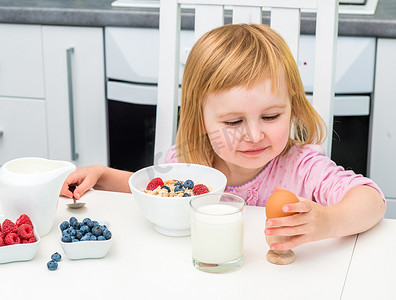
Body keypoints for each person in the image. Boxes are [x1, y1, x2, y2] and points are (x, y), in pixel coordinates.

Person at [61, 24, 385, 251]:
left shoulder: (301, 166)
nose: (255, 134)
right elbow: (156, 191)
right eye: (233, 121)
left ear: (294, 108)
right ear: (200, 120)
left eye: (271, 116)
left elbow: (371, 200)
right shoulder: (189, 162)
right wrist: (102, 176)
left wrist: (328, 221)